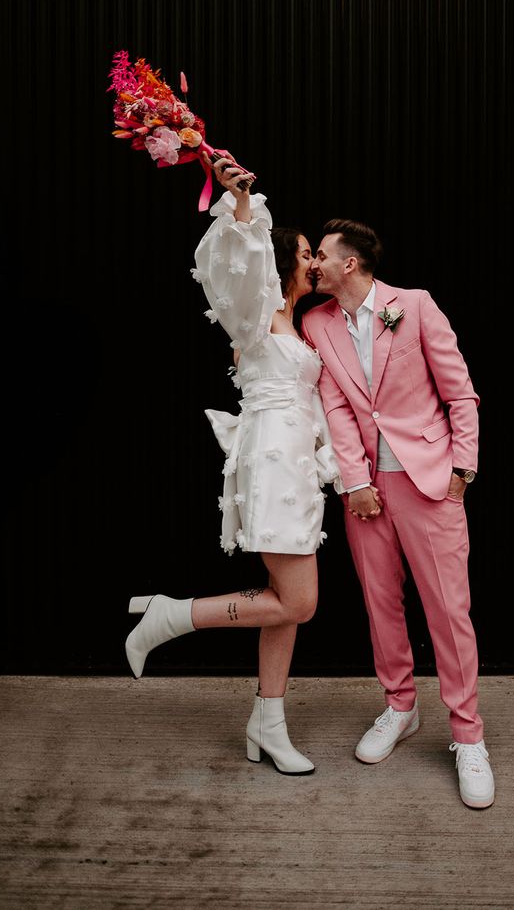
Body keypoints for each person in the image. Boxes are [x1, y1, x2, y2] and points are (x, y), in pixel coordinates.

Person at [125, 156, 343, 776]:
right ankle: (175, 614)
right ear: (282, 262)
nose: (314, 261)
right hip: (272, 459)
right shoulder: (258, 313)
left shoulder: (299, 327)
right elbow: (237, 269)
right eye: (305, 253)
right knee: (300, 602)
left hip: (297, 463)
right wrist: (244, 206)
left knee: (284, 599)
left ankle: (267, 725)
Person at [301, 219, 495, 809]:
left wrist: (462, 472)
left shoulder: (413, 305)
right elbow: (334, 405)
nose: (313, 266)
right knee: (380, 599)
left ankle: (468, 736)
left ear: (351, 264)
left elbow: (460, 392)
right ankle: (400, 706)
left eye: (322, 257)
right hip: (365, 489)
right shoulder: (316, 323)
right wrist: (356, 480)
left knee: (448, 608)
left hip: (431, 480)